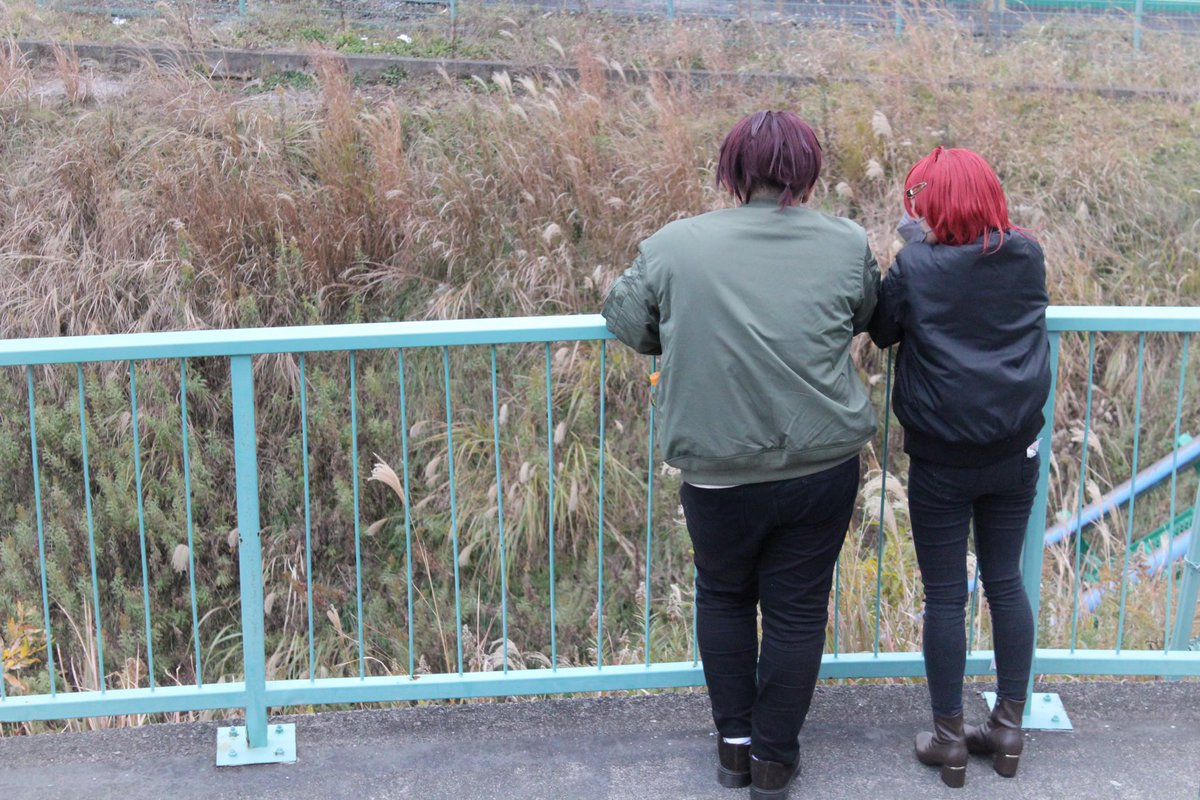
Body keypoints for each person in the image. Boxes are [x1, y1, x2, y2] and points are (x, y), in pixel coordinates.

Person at [602, 110, 879, 800]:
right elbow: (866, 313)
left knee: (724, 596)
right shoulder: (846, 241)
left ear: (732, 172)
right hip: (821, 464)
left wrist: (683, 330)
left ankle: (734, 749)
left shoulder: (675, 245)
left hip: (718, 471)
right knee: (798, 610)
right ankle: (775, 761)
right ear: (808, 172)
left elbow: (625, 319)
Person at [868, 146, 1051, 788]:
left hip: (942, 457)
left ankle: (948, 740)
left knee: (946, 594)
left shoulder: (916, 266)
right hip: (1014, 452)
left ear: (932, 207)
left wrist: (911, 247)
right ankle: (1007, 728)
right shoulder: (1026, 254)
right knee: (1005, 582)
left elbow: (884, 329)